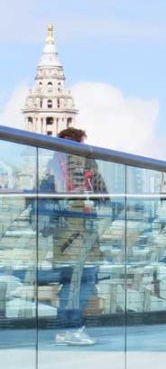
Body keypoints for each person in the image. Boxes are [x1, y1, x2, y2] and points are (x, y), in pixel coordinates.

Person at [46, 127, 108, 346]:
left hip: (61, 236)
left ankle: (65, 329)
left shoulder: (52, 163)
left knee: (69, 282)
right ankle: (70, 328)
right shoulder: (85, 161)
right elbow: (103, 194)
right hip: (81, 231)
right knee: (86, 279)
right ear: (79, 142)